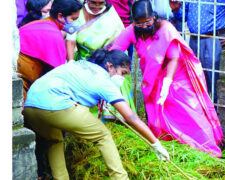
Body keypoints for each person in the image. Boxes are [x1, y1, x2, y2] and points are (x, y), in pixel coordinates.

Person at [23, 49, 170, 180]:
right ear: (110, 66)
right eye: (123, 73)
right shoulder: (104, 81)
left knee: (55, 140)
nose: (123, 78)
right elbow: (131, 117)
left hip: (30, 107)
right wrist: (155, 143)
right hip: (57, 106)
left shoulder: (80, 64)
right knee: (103, 136)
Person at [110, 0, 223, 157]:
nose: (144, 26)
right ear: (133, 21)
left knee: (188, 113)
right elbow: (116, 49)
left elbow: (173, 59)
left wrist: (167, 83)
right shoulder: (131, 31)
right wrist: (114, 71)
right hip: (152, 78)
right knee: (158, 114)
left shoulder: (165, 28)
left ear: (154, 17)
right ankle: (167, 147)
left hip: (177, 76)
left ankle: (205, 150)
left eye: (147, 22)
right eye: (139, 23)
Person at [66, 0, 135, 120]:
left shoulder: (111, 16)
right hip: (84, 63)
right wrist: (71, 61)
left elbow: (118, 45)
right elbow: (70, 39)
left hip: (108, 63)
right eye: (93, 3)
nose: (97, 6)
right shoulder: (78, 13)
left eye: (101, 3)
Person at [18, 0, 82, 101]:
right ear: (60, 16)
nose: (75, 23)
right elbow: (59, 74)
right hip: (21, 86)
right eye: (73, 19)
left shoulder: (37, 23)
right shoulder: (54, 35)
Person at [186, 0, 225, 102]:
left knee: (214, 80)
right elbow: (183, 15)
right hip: (194, 40)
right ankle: (203, 113)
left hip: (213, 39)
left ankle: (216, 112)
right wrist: (176, 9)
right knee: (196, 80)